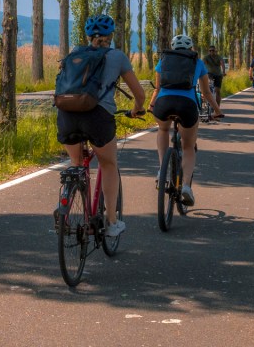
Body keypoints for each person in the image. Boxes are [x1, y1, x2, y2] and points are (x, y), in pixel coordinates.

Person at [56, 14, 147, 237]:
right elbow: (140, 94)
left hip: (67, 115)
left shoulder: (75, 54)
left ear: (89, 36)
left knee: (76, 163)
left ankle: (65, 205)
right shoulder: (117, 56)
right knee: (108, 164)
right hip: (98, 117)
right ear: (111, 36)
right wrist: (137, 108)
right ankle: (112, 222)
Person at [149, 34, 223, 206]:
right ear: (191, 48)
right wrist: (218, 111)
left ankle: (162, 170)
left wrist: (151, 105)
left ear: (173, 48)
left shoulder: (164, 61)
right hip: (186, 106)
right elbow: (205, 93)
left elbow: (157, 88)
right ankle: (186, 188)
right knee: (188, 146)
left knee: (163, 129)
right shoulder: (198, 62)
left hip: (164, 103)